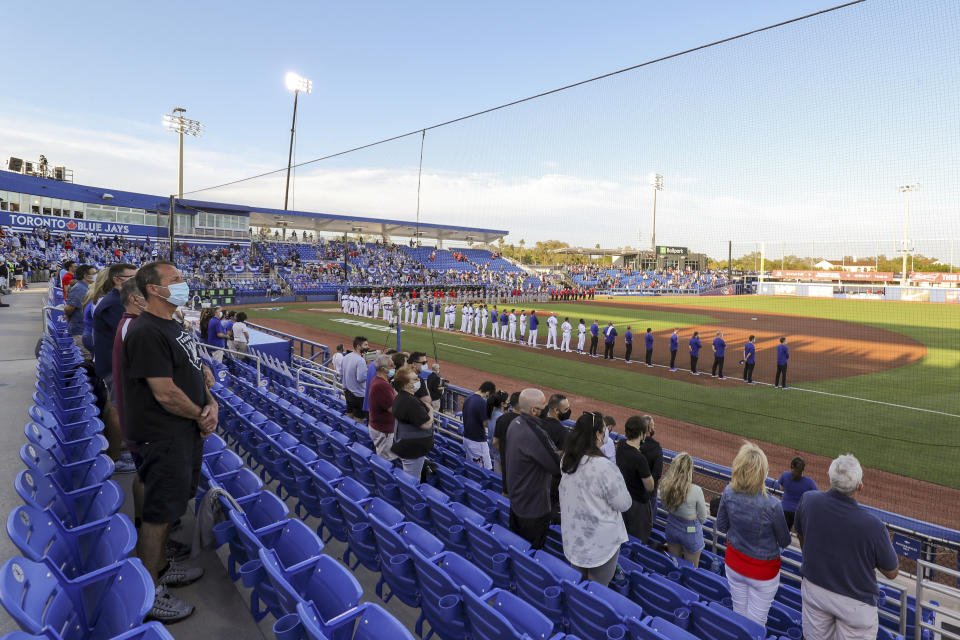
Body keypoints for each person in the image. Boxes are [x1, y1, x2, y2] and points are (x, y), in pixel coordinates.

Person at [123, 261, 213, 622]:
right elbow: (164, 392)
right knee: (158, 516)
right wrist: (199, 414)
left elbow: (192, 369)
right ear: (153, 289)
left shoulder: (172, 324)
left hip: (184, 432)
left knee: (172, 504)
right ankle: (149, 593)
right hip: (164, 435)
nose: (183, 283)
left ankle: (161, 567)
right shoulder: (146, 331)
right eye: (175, 280)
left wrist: (212, 404)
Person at [794, 455, 899, 640]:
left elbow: (801, 534)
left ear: (829, 476)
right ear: (860, 486)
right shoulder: (874, 526)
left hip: (815, 590)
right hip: (856, 604)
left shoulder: (809, 501)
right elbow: (892, 571)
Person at [716, 443, 791, 627]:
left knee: (739, 615)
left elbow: (722, 526)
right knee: (756, 625)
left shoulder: (728, 492)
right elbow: (785, 541)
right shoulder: (773, 505)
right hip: (763, 572)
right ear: (762, 473)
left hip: (734, 563)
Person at [559, 412, 632, 586]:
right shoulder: (605, 467)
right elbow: (624, 503)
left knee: (578, 585)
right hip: (600, 544)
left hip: (574, 538)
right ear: (598, 434)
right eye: (604, 430)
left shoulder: (567, 460)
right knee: (597, 591)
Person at [93, 262, 138, 467]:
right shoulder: (114, 303)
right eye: (133, 276)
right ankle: (114, 458)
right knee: (117, 408)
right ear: (118, 279)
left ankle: (117, 449)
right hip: (114, 364)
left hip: (112, 362)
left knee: (116, 406)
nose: (138, 280)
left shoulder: (115, 300)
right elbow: (126, 336)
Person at [505, 389, 559, 548]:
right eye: (544, 406)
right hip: (534, 510)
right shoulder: (535, 433)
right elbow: (557, 467)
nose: (547, 410)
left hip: (516, 504)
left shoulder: (514, 423)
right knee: (531, 555)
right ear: (534, 411)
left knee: (517, 550)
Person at [659, 452, 707, 567]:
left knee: (675, 564)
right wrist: (690, 526)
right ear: (690, 470)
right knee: (692, 568)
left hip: (672, 527)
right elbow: (703, 518)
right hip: (690, 531)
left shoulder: (665, 484)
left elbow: (665, 507)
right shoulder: (696, 490)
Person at [391, 365, 435, 480]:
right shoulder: (409, 401)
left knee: (411, 477)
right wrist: (430, 410)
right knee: (412, 482)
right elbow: (426, 424)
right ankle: (410, 497)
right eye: (415, 379)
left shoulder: (402, 397)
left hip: (406, 446)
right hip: (412, 451)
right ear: (406, 384)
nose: (419, 381)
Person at [616, 416, 656, 543]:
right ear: (641, 433)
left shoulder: (621, 445)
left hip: (623, 498)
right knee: (639, 539)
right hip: (638, 505)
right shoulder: (640, 459)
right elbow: (650, 486)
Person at [368, 355, 399, 461]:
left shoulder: (382, 382)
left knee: (383, 456)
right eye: (391, 365)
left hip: (379, 427)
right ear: (383, 369)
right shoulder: (382, 385)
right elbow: (394, 409)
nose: (394, 367)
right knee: (386, 460)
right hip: (383, 430)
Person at [462, 381, 497, 469]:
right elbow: (485, 423)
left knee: (472, 468)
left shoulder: (468, 398)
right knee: (485, 470)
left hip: (466, 437)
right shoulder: (481, 402)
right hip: (477, 441)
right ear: (488, 392)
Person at [64, 264, 95, 359]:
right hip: (79, 331)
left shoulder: (87, 287)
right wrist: (70, 320)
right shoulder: (79, 288)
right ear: (85, 276)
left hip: (83, 329)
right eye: (94, 274)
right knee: (86, 358)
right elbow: (69, 308)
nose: (96, 276)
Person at [779, 456, 817, 531]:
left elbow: (781, 488)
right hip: (800, 513)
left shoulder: (785, 475)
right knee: (801, 535)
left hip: (784, 510)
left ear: (791, 467)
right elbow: (815, 495)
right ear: (803, 469)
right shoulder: (809, 482)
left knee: (783, 533)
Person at [493, 391, 521, 492]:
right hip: (518, 466)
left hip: (502, 459)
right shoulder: (526, 421)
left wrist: (504, 452)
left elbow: (495, 442)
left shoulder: (501, 418)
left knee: (501, 486)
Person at [341, 336, 370, 419]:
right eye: (365, 345)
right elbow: (360, 378)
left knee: (349, 414)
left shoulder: (346, 356)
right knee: (359, 419)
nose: (368, 347)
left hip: (347, 392)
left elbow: (341, 373)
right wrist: (368, 372)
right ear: (358, 346)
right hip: (358, 395)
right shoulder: (360, 360)